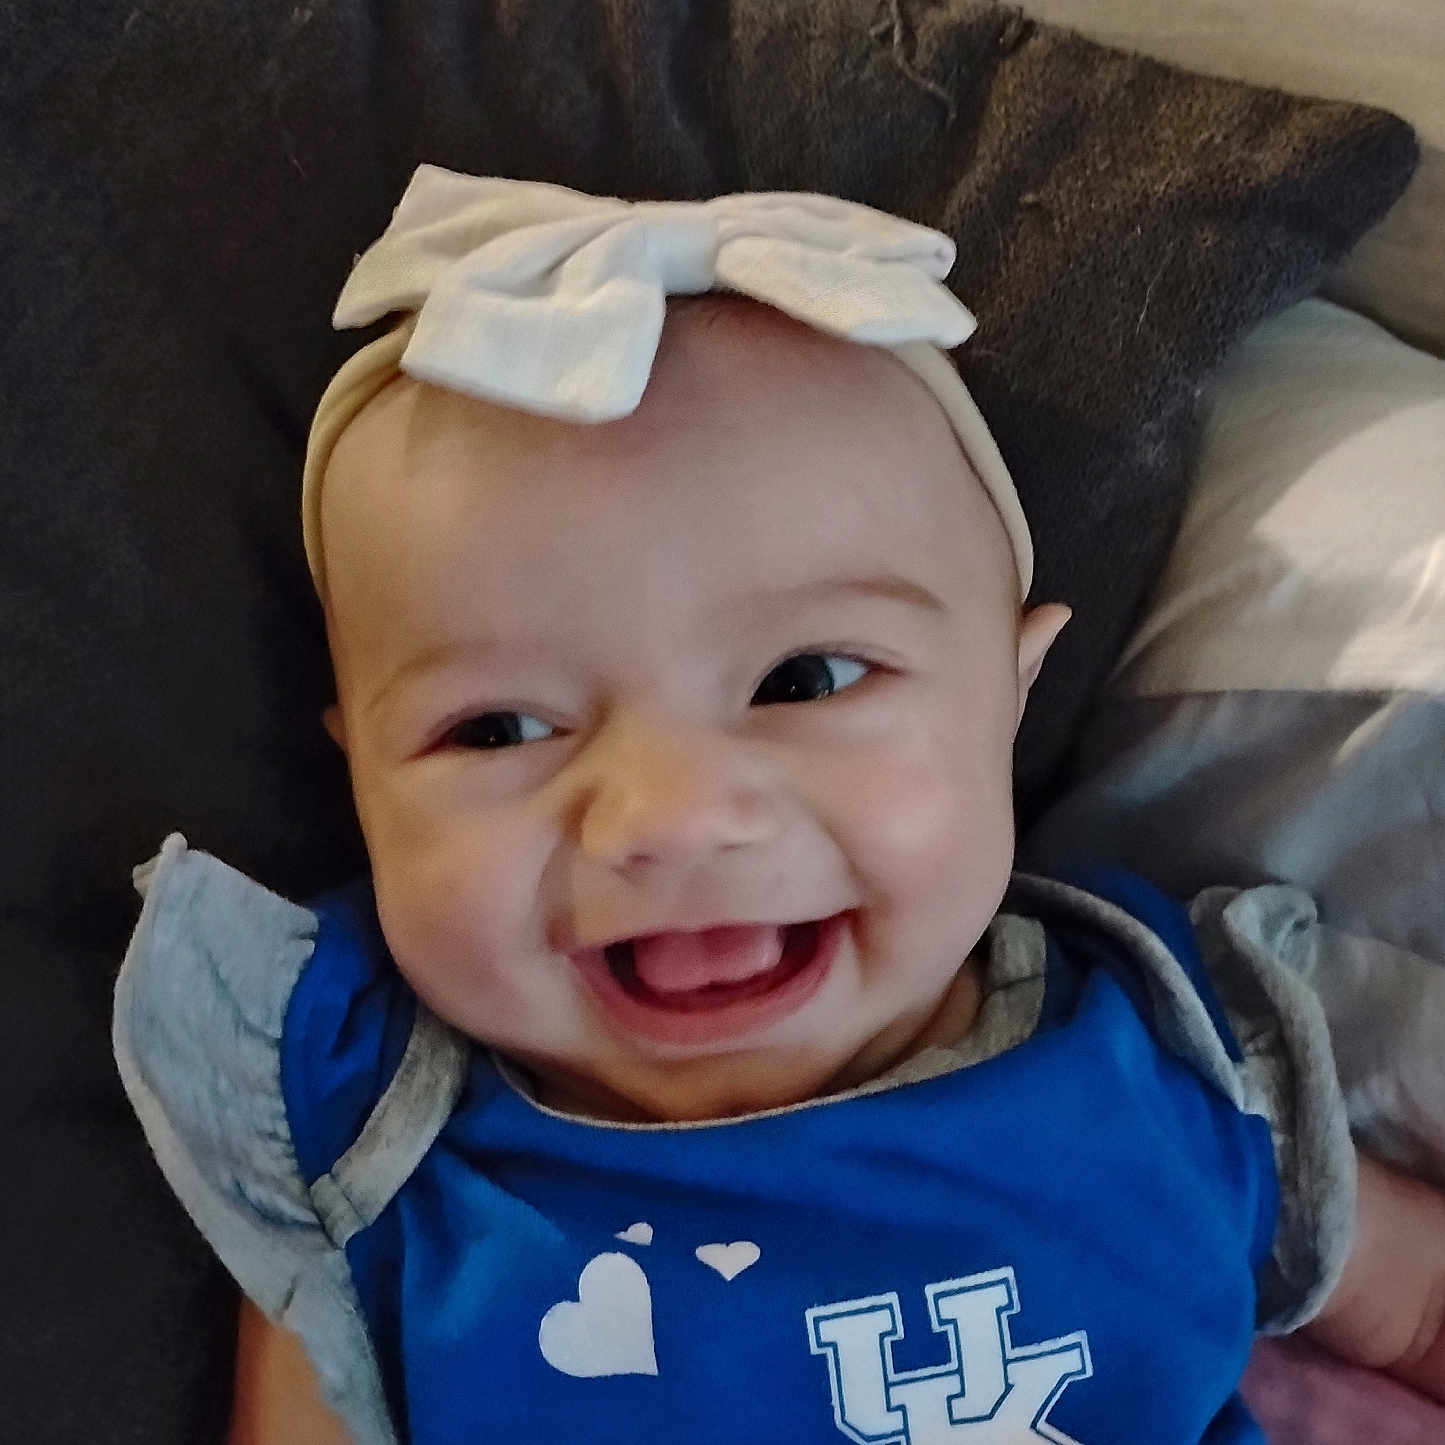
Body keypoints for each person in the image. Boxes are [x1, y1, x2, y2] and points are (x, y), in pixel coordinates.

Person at [114, 170, 1445, 1445]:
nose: (669, 815)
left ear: (1008, 693)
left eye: (801, 681)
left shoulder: (1175, 1069)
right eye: (499, 727)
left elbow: (1420, 1302)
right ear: (357, 771)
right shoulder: (366, 1124)